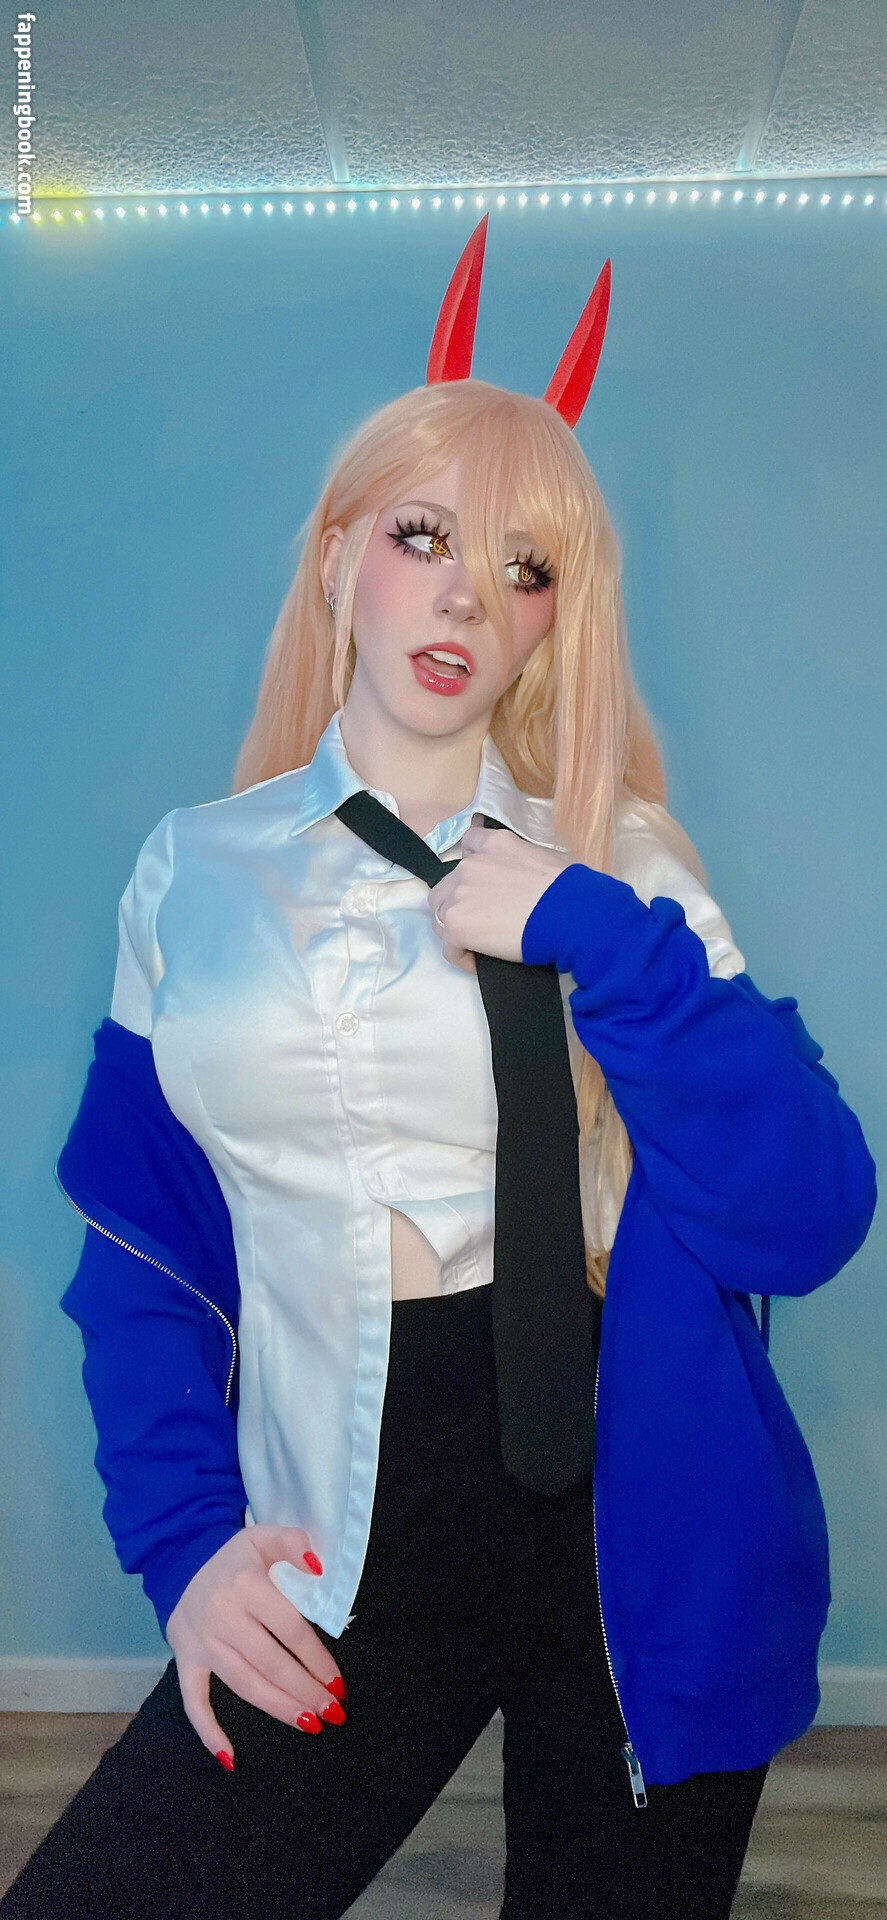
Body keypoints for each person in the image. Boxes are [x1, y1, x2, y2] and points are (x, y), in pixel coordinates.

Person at [2, 220, 876, 1920]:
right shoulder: (193, 873)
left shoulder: (627, 867)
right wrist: (186, 1547)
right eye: (424, 537)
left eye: (526, 568)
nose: (471, 593)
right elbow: (140, 1249)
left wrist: (593, 931)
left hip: (639, 1514)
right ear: (339, 562)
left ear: (554, 624)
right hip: (344, 1514)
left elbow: (811, 1213)